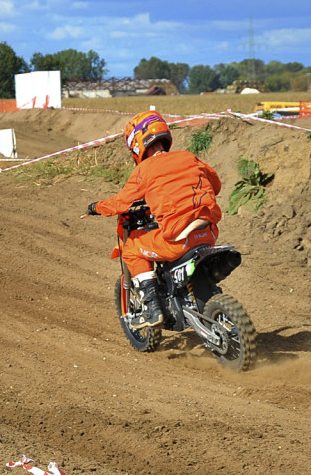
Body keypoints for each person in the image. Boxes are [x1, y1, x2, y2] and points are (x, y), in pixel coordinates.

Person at [83, 111, 222, 329]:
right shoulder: (188, 157)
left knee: (130, 248)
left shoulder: (144, 170)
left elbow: (120, 203)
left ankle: (152, 308)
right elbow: (216, 185)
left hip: (177, 241)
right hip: (209, 233)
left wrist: (95, 207)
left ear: (137, 145)